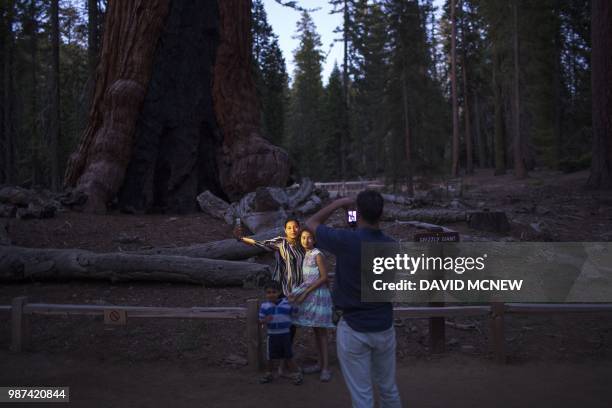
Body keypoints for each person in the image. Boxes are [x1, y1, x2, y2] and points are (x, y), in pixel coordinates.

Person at [305, 190, 402, 408]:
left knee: (362, 396)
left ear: (358, 213)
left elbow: (311, 223)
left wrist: (339, 203)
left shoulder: (345, 241)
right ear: (382, 214)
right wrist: (353, 213)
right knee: (388, 389)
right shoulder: (392, 246)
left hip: (353, 329)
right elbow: (358, 229)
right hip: (384, 326)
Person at [288, 228, 335, 382]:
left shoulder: (317, 254)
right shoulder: (305, 254)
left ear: (314, 240)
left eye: (309, 238)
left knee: (321, 333)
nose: (305, 241)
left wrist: (306, 292)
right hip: (310, 294)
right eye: (303, 238)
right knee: (316, 331)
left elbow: (324, 278)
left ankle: (326, 368)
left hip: (318, 296)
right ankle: (320, 363)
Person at [235, 217, 304, 297]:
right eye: (289, 228)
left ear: (299, 228)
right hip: (281, 286)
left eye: (295, 227)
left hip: (300, 286)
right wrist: (242, 238)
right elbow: (260, 243)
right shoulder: (280, 242)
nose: (293, 230)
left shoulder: (303, 244)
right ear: (285, 230)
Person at [258, 280, 303, 385]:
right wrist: (265, 320)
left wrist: (293, 303)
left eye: (274, 292)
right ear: (265, 294)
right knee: (270, 356)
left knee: (288, 355)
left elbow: (296, 314)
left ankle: (296, 374)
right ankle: (268, 374)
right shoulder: (265, 306)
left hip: (285, 334)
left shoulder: (286, 303)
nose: (271, 294)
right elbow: (260, 320)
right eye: (268, 292)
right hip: (272, 335)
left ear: (279, 292)